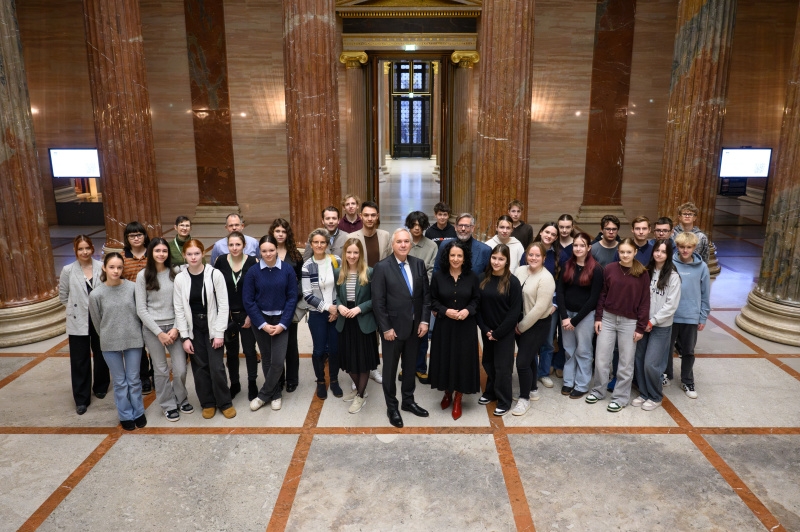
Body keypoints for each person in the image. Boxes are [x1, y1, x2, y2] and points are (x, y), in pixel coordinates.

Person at [372, 228, 431, 428]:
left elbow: (425, 297)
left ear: (411, 244)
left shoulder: (418, 264)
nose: (404, 245)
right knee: (389, 370)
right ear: (392, 244)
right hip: (392, 330)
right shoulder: (382, 267)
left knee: (410, 367)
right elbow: (378, 302)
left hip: (415, 328)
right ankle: (392, 407)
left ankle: (408, 401)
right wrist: (386, 328)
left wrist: (424, 321)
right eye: (399, 242)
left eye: (406, 241)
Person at [585, 238, 650, 412]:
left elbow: (645, 301)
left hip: (630, 322)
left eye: (629, 252)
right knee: (601, 358)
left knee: (625, 361)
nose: (625, 255)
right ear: (618, 252)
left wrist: (640, 327)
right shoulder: (610, 269)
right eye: (622, 252)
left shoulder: (642, 273)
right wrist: (598, 317)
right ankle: (598, 390)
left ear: (635, 252)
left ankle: (620, 397)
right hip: (607, 318)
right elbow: (603, 294)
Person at [174, 239, 236, 420]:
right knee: (200, 367)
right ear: (184, 256)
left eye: (197, 253)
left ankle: (224, 402)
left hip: (212, 324)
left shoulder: (214, 274)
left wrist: (219, 333)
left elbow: (224, 305)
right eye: (190, 254)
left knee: (216, 367)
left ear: (203, 254)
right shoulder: (180, 278)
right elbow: (179, 308)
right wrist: (185, 337)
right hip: (193, 327)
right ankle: (207, 403)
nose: (193, 257)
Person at [135, 237, 192, 422]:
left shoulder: (175, 272)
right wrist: (159, 332)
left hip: (174, 328)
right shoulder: (143, 276)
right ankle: (168, 405)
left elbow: (181, 304)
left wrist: (176, 328)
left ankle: (181, 398)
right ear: (151, 253)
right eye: (157, 251)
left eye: (164, 251)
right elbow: (141, 309)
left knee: (181, 368)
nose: (161, 254)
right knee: (160, 370)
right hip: (153, 330)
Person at [88, 253, 146, 431]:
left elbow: (140, 313)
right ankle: (125, 415)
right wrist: (107, 335)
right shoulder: (96, 294)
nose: (116, 271)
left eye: (119, 267)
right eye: (112, 267)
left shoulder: (133, 288)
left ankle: (139, 412)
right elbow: (97, 322)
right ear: (104, 268)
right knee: (120, 382)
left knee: (134, 379)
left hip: (133, 339)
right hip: (109, 343)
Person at [243, 235, 298, 412]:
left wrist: (283, 324)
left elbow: (292, 298)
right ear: (260, 251)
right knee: (266, 359)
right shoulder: (253, 272)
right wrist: (262, 324)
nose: (268, 254)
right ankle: (275, 394)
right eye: (264, 251)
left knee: (277, 360)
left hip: (281, 321)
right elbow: (248, 301)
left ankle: (263, 394)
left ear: (277, 250)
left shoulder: (287, 269)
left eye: (271, 250)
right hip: (261, 321)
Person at [429, 240, 481, 420]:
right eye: (452, 255)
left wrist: (468, 310)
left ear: (464, 257)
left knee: (462, 360)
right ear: (447, 256)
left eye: (459, 255)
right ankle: (447, 392)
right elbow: (432, 300)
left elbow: (477, 300)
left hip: (466, 326)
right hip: (444, 326)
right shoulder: (438, 276)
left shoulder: (473, 277)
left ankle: (458, 397)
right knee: (445, 359)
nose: (456, 259)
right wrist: (444, 310)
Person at [59, 235, 109, 415]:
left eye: (87, 248)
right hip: (77, 318)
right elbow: (63, 295)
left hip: (99, 317)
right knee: (79, 359)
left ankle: (101, 386)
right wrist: (76, 308)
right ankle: (81, 398)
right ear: (75, 250)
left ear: (92, 248)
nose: (84, 252)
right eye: (80, 249)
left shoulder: (101, 267)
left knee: (101, 353)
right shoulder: (68, 270)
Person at [632, 239, 681, 411]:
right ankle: (644, 393)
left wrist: (652, 321)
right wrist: (642, 320)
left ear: (668, 255)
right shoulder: (646, 272)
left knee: (651, 363)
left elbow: (671, 306)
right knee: (639, 360)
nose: (659, 254)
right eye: (657, 250)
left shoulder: (673, 277)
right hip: (643, 323)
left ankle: (655, 396)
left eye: (663, 251)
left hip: (660, 326)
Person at [334, 238, 380, 414]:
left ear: (360, 254)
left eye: (355, 252)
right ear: (344, 253)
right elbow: (337, 295)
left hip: (363, 322)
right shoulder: (339, 272)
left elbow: (375, 299)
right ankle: (360, 390)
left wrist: (359, 309)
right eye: (349, 252)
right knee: (348, 361)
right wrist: (339, 306)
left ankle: (360, 395)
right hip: (345, 322)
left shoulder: (369, 272)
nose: (352, 256)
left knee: (363, 361)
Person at [477, 244, 522, 417]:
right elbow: (478, 308)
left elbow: (514, 312)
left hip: (504, 333)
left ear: (507, 261)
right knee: (488, 362)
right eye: (494, 258)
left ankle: (504, 401)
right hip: (487, 331)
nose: (496, 262)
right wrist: (486, 330)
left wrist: (497, 333)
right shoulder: (482, 278)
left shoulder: (513, 282)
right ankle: (490, 392)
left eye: (501, 259)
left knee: (503, 368)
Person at [556, 232, 603, 399]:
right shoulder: (567, 266)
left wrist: (574, 320)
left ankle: (582, 384)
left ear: (588, 247)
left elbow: (593, 299)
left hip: (584, 316)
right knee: (569, 350)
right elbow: (560, 292)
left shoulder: (596, 269)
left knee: (583, 351)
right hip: (566, 315)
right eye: (575, 245)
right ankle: (569, 382)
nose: (578, 248)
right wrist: (564, 316)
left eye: (582, 245)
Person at [214, 232, 259, 401]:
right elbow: (215, 288)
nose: (234, 248)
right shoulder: (220, 261)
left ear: (244, 245)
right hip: (228, 316)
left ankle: (252, 383)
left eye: (238, 245)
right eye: (231, 245)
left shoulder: (253, 262)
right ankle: (235, 384)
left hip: (247, 315)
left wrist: (250, 315)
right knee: (231, 353)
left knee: (249, 351)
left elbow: (257, 292)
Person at [513, 242, 556, 416]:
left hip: (536, 324)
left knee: (522, 362)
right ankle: (532, 389)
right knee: (530, 357)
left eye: (538, 255)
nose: (533, 258)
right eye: (531, 254)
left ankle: (524, 399)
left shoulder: (546, 278)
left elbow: (539, 309)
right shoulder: (520, 270)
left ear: (544, 258)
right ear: (526, 255)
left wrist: (521, 327)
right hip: (518, 322)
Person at [666, 231, 711, 398]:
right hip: (670, 315)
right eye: (682, 247)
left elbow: (705, 294)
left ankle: (687, 380)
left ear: (694, 247)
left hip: (690, 316)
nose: (685, 250)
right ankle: (666, 374)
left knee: (688, 350)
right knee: (667, 348)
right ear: (677, 247)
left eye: (689, 247)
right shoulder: (670, 263)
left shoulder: (702, 268)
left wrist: (703, 316)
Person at [302, 228, 343, 399]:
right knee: (319, 350)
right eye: (316, 242)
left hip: (336, 313)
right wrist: (328, 308)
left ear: (327, 244)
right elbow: (307, 295)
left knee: (334, 350)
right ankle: (320, 381)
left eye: (323, 242)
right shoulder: (307, 265)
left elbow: (342, 285)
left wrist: (337, 309)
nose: (319, 245)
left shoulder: (336, 260)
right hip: (318, 314)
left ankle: (334, 380)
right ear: (311, 244)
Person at [271, 218, 305, 393]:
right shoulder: (267, 252)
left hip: (290, 306)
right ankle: (279, 377)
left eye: (283, 232)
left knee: (291, 344)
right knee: (276, 344)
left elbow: (302, 280)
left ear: (288, 234)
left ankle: (292, 379)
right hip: (272, 306)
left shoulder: (295, 254)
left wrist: (294, 297)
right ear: (272, 233)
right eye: (277, 231)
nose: (280, 234)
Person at [121, 221, 153, 396]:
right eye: (132, 235)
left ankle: (155, 373)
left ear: (144, 236)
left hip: (152, 305)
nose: (136, 238)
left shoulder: (153, 254)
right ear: (127, 238)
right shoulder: (122, 257)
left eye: (139, 234)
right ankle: (144, 377)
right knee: (138, 344)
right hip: (132, 307)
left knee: (155, 341)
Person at [406, 211, 438, 385]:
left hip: (423, 296)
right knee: (405, 334)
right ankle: (406, 367)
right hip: (403, 296)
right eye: (413, 224)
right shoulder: (403, 242)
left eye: (420, 225)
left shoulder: (431, 246)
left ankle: (420, 368)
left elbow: (432, 271)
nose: (416, 228)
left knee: (422, 334)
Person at [531, 222, 561, 389]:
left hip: (551, 306)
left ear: (556, 238)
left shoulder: (557, 255)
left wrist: (554, 303)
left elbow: (559, 282)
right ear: (541, 232)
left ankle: (543, 374)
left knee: (548, 342)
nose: (549, 236)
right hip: (531, 305)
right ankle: (532, 372)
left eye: (552, 234)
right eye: (546, 232)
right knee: (532, 342)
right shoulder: (530, 251)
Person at [350, 201, 391, 267]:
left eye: (373, 215)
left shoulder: (386, 235)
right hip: (361, 276)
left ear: (377, 216)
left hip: (381, 276)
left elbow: (390, 259)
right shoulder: (351, 237)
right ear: (361, 216)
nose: (370, 219)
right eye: (366, 215)